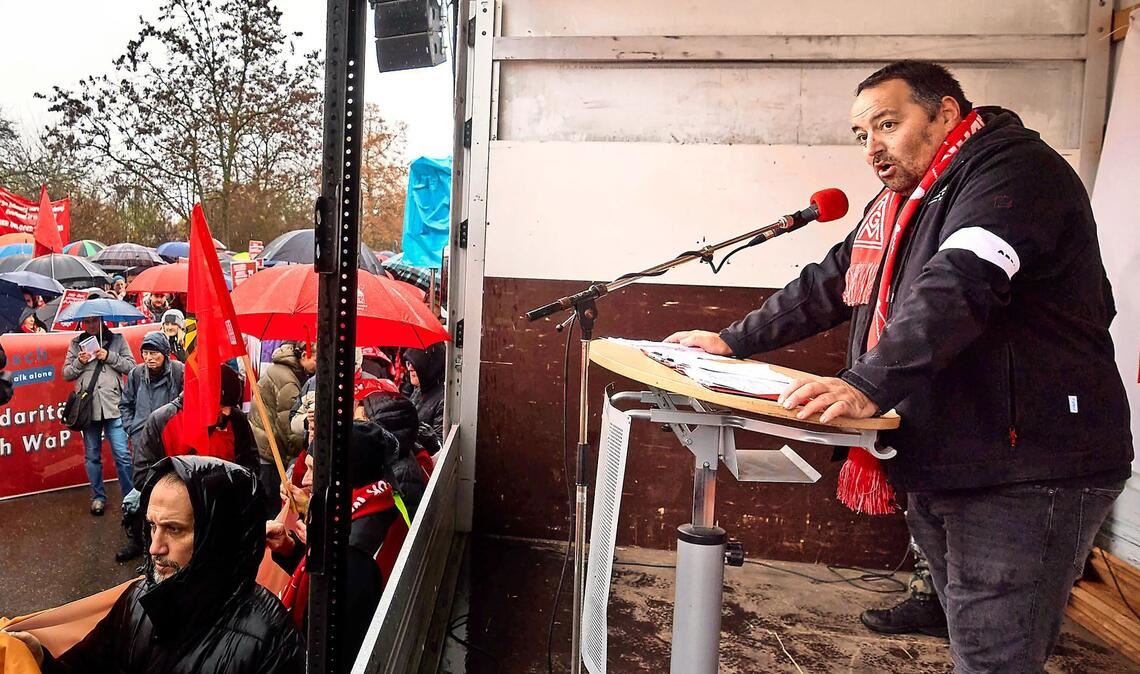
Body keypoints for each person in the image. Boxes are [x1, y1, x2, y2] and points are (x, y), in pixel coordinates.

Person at [665, 60, 1132, 672]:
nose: (872, 149)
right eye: (862, 135)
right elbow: (829, 284)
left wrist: (865, 384)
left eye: (887, 124)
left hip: (1029, 464)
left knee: (997, 654)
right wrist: (731, 342)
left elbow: (961, 284)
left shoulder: (1011, 173)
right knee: (974, 639)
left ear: (945, 112)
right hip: (953, 452)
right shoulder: (903, 204)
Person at [9, 456, 304, 672]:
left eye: (174, 529)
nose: (154, 548)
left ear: (218, 535)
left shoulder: (270, 637)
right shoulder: (137, 601)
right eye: (152, 526)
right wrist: (42, 660)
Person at [266, 419, 428, 671]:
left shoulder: (357, 547)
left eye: (315, 470)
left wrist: (322, 545)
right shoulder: (374, 504)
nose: (306, 479)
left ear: (341, 477)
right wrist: (289, 548)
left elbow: (327, 628)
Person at [132, 365, 259, 491]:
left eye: (231, 406)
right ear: (206, 398)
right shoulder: (161, 421)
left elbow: (251, 465)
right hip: (179, 507)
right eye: (222, 405)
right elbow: (142, 478)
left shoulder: (236, 419)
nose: (227, 412)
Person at [116, 331, 186, 562]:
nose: (149, 357)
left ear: (165, 353)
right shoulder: (136, 374)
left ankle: (167, 541)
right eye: (145, 353)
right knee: (140, 492)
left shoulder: (179, 372)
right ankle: (138, 541)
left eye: (154, 352)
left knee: (168, 493)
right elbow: (125, 403)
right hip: (141, 442)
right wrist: (131, 427)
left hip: (170, 442)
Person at [62, 317, 137, 516]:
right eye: (86, 322)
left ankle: (130, 499)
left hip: (114, 406)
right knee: (92, 456)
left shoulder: (118, 340)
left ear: (102, 321)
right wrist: (79, 361)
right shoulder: (76, 343)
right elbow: (66, 373)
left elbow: (132, 367)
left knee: (122, 455)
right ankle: (98, 497)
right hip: (88, 408)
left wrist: (109, 356)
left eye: (94, 321)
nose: (91, 325)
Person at [250, 341, 314, 517]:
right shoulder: (289, 381)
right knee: (272, 504)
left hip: (264, 441)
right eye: (316, 359)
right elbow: (288, 428)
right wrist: (295, 458)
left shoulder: (284, 370)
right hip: (271, 448)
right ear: (303, 356)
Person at [402, 342, 446, 445]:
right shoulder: (419, 389)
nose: (409, 368)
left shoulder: (443, 400)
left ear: (430, 367)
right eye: (408, 363)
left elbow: (439, 446)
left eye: (415, 364)